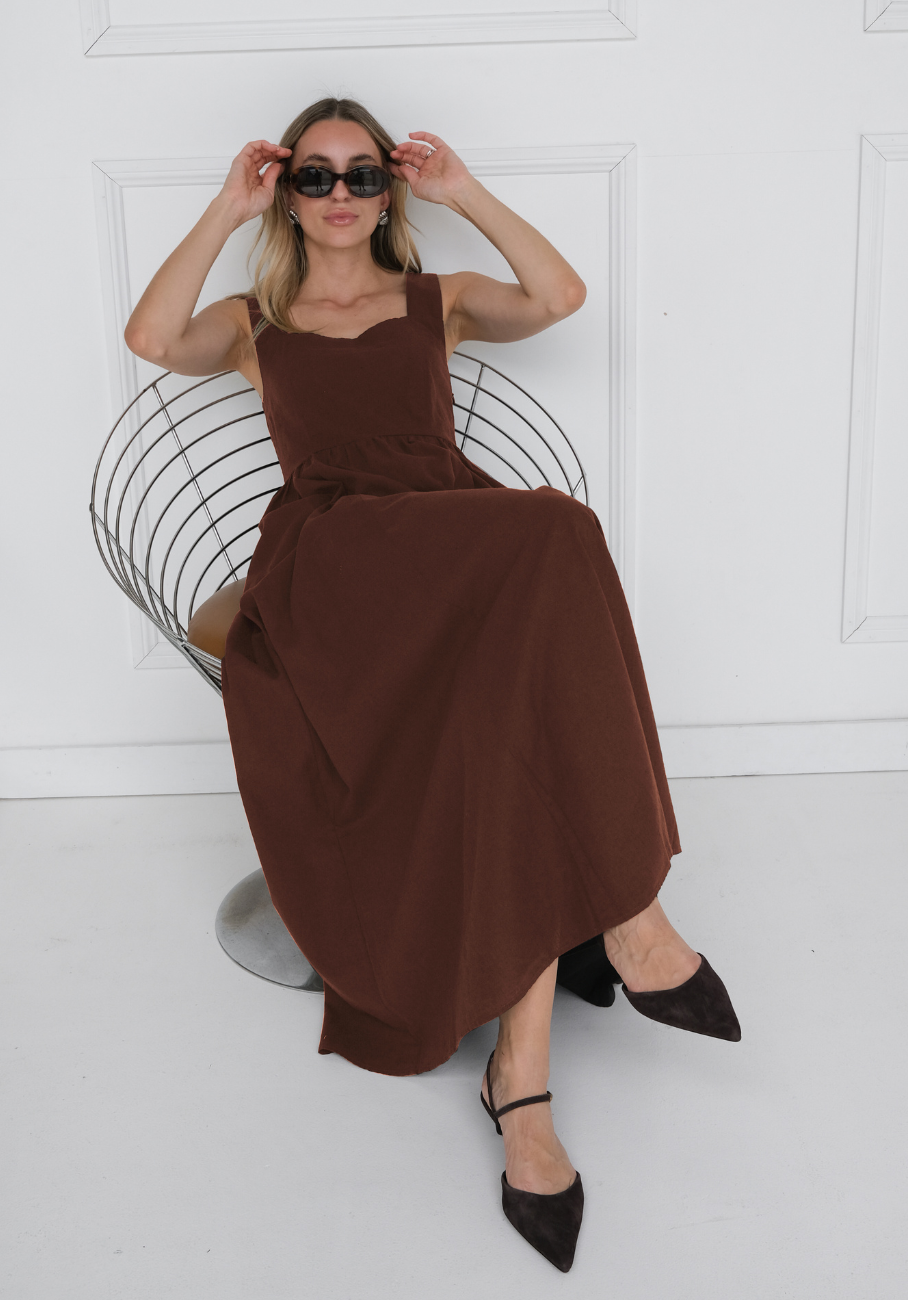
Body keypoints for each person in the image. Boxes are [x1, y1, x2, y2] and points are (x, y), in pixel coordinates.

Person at [124, 96, 740, 1273]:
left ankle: (523, 1083)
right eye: (313, 176)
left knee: (508, 701)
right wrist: (223, 210)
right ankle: (629, 916)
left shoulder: (434, 299)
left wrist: (464, 193)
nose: (339, 194)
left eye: (362, 175)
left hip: (451, 559)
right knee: (556, 528)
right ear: (286, 191)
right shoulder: (255, 321)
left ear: (389, 192)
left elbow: (558, 295)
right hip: (333, 565)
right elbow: (152, 338)